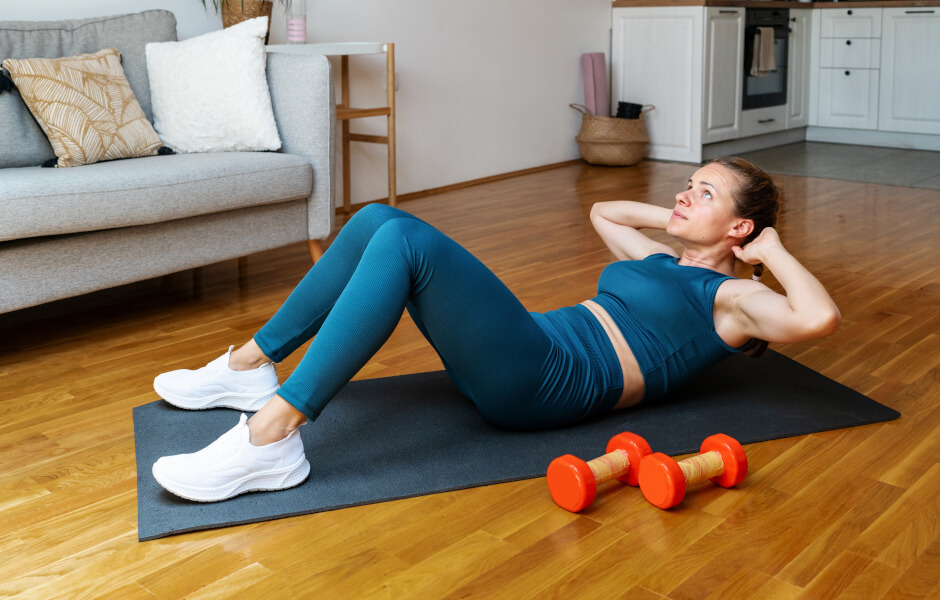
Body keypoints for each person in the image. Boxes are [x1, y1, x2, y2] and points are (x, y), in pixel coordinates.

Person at [151, 156, 841, 502]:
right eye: (687, 185)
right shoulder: (664, 260)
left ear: (742, 226)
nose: (685, 195)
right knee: (374, 220)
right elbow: (605, 212)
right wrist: (682, 219)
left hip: (546, 382)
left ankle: (274, 436)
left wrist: (769, 250)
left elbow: (816, 316)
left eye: (706, 193)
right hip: (532, 343)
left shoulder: (732, 299)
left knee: (405, 245)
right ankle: (249, 367)